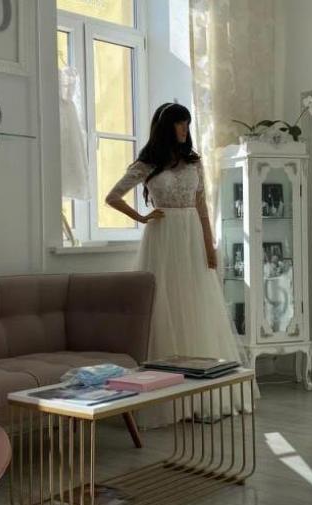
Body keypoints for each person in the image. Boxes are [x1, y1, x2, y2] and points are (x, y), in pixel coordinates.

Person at [105, 102, 253, 425]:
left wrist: (209, 247)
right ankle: (167, 397)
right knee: (164, 308)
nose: (185, 129)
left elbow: (202, 208)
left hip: (190, 237)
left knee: (195, 305)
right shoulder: (147, 164)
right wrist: (141, 217)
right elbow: (112, 197)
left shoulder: (194, 162)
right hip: (162, 238)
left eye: (187, 123)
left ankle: (201, 393)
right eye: (179, 123)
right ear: (166, 127)